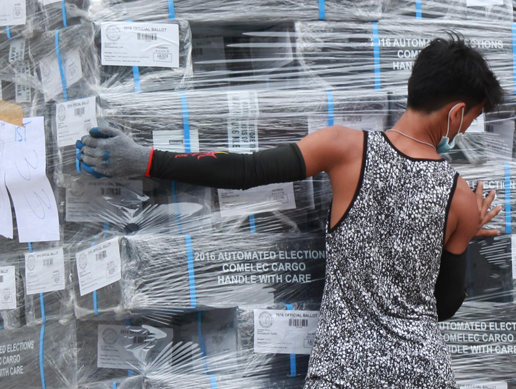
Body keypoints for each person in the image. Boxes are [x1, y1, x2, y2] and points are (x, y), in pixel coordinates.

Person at [76, 36, 504, 387]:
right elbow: (444, 307)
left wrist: (146, 160)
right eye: (469, 120)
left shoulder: (346, 148)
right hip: (423, 374)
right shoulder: (462, 198)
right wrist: (462, 235)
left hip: (344, 374)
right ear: (455, 112)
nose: (464, 130)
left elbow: (246, 170)